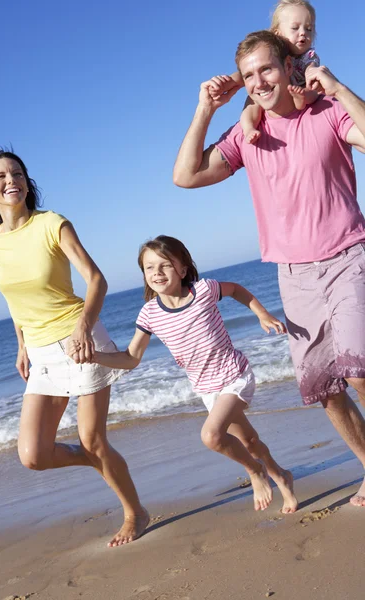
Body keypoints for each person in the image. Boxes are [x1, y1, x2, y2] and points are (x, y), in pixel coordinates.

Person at [172, 30, 365, 507]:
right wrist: (206, 108)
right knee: (324, 387)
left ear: (287, 66)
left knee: (359, 370)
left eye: (267, 69)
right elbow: (186, 175)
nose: (259, 81)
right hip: (294, 275)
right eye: (249, 75)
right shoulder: (247, 133)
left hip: (347, 256)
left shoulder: (328, 112)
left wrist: (339, 88)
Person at [0, 150, 149, 546]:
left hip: (79, 340)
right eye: (0, 176)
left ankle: (135, 512)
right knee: (33, 455)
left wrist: (83, 326)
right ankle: (94, 460)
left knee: (93, 438)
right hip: (40, 352)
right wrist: (21, 345)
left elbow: (96, 280)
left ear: (27, 183)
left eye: (17, 173)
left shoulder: (52, 224)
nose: (10, 179)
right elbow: (16, 298)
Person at [68, 235, 298, 514]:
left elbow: (236, 290)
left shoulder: (204, 291)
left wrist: (261, 314)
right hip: (206, 389)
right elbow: (131, 358)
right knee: (248, 441)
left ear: (183, 269)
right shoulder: (150, 314)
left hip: (234, 376)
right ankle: (281, 475)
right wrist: (94, 357)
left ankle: (256, 472)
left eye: (165, 265)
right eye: (149, 268)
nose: (157, 273)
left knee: (211, 436)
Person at [224, 0, 320, 144]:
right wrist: (230, 81)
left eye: (309, 29)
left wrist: (308, 86)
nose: (303, 33)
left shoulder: (309, 56)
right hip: (274, 93)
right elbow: (246, 72)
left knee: (315, 91)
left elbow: (311, 69)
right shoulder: (272, 53)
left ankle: (302, 99)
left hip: (298, 88)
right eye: (295, 28)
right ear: (278, 33)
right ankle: (248, 127)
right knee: (252, 101)